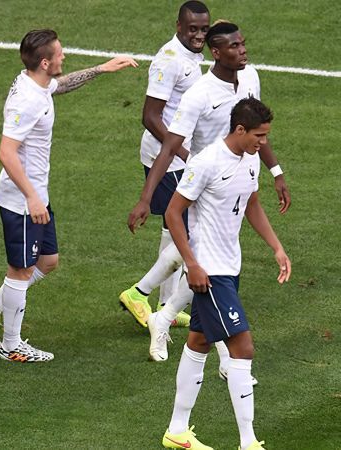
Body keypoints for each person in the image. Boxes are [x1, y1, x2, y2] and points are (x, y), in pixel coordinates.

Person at [124, 21, 291, 373]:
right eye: (235, 46)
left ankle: (160, 311)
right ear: (216, 52)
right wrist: (145, 197)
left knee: (207, 259)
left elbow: (259, 128)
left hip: (241, 179)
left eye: (244, 44)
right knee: (209, 261)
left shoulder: (251, 78)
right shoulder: (198, 94)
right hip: (206, 183)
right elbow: (169, 147)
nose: (243, 51)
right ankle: (229, 358)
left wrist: (275, 171)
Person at [0, 29, 137, 362]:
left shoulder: (38, 84)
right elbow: (6, 151)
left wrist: (103, 68)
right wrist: (30, 196)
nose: (64, 57)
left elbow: (62, 84)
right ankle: (12, 346)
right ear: (45, 62)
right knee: (21, 270)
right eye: (59, 54)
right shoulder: (27, 100)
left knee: (48, 262)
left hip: (35, 196)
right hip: (22, 201)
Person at [160, 98, 286, 450]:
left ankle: (177, 431)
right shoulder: (207, 162)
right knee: (242, 349)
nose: (263, 143)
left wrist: (276, 247)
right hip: (209, 271)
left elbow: (252, 204)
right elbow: (173, 213)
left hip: (229, 267)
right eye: (259, 135)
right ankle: (248, 442)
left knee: (199, 342)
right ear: (240, 129)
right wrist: (193, 264)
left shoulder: (249, 160)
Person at [118, 1, 209, 330]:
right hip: (165, 157)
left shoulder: (190, 56)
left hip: (176, 156)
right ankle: (141, 295)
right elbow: (150, 116)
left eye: (203, 29)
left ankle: (163, 305)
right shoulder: (169, 60)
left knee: (174, 229)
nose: (199, 35)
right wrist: (183, 152)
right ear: (179, 26)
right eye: (192, 29)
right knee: (182, 228)